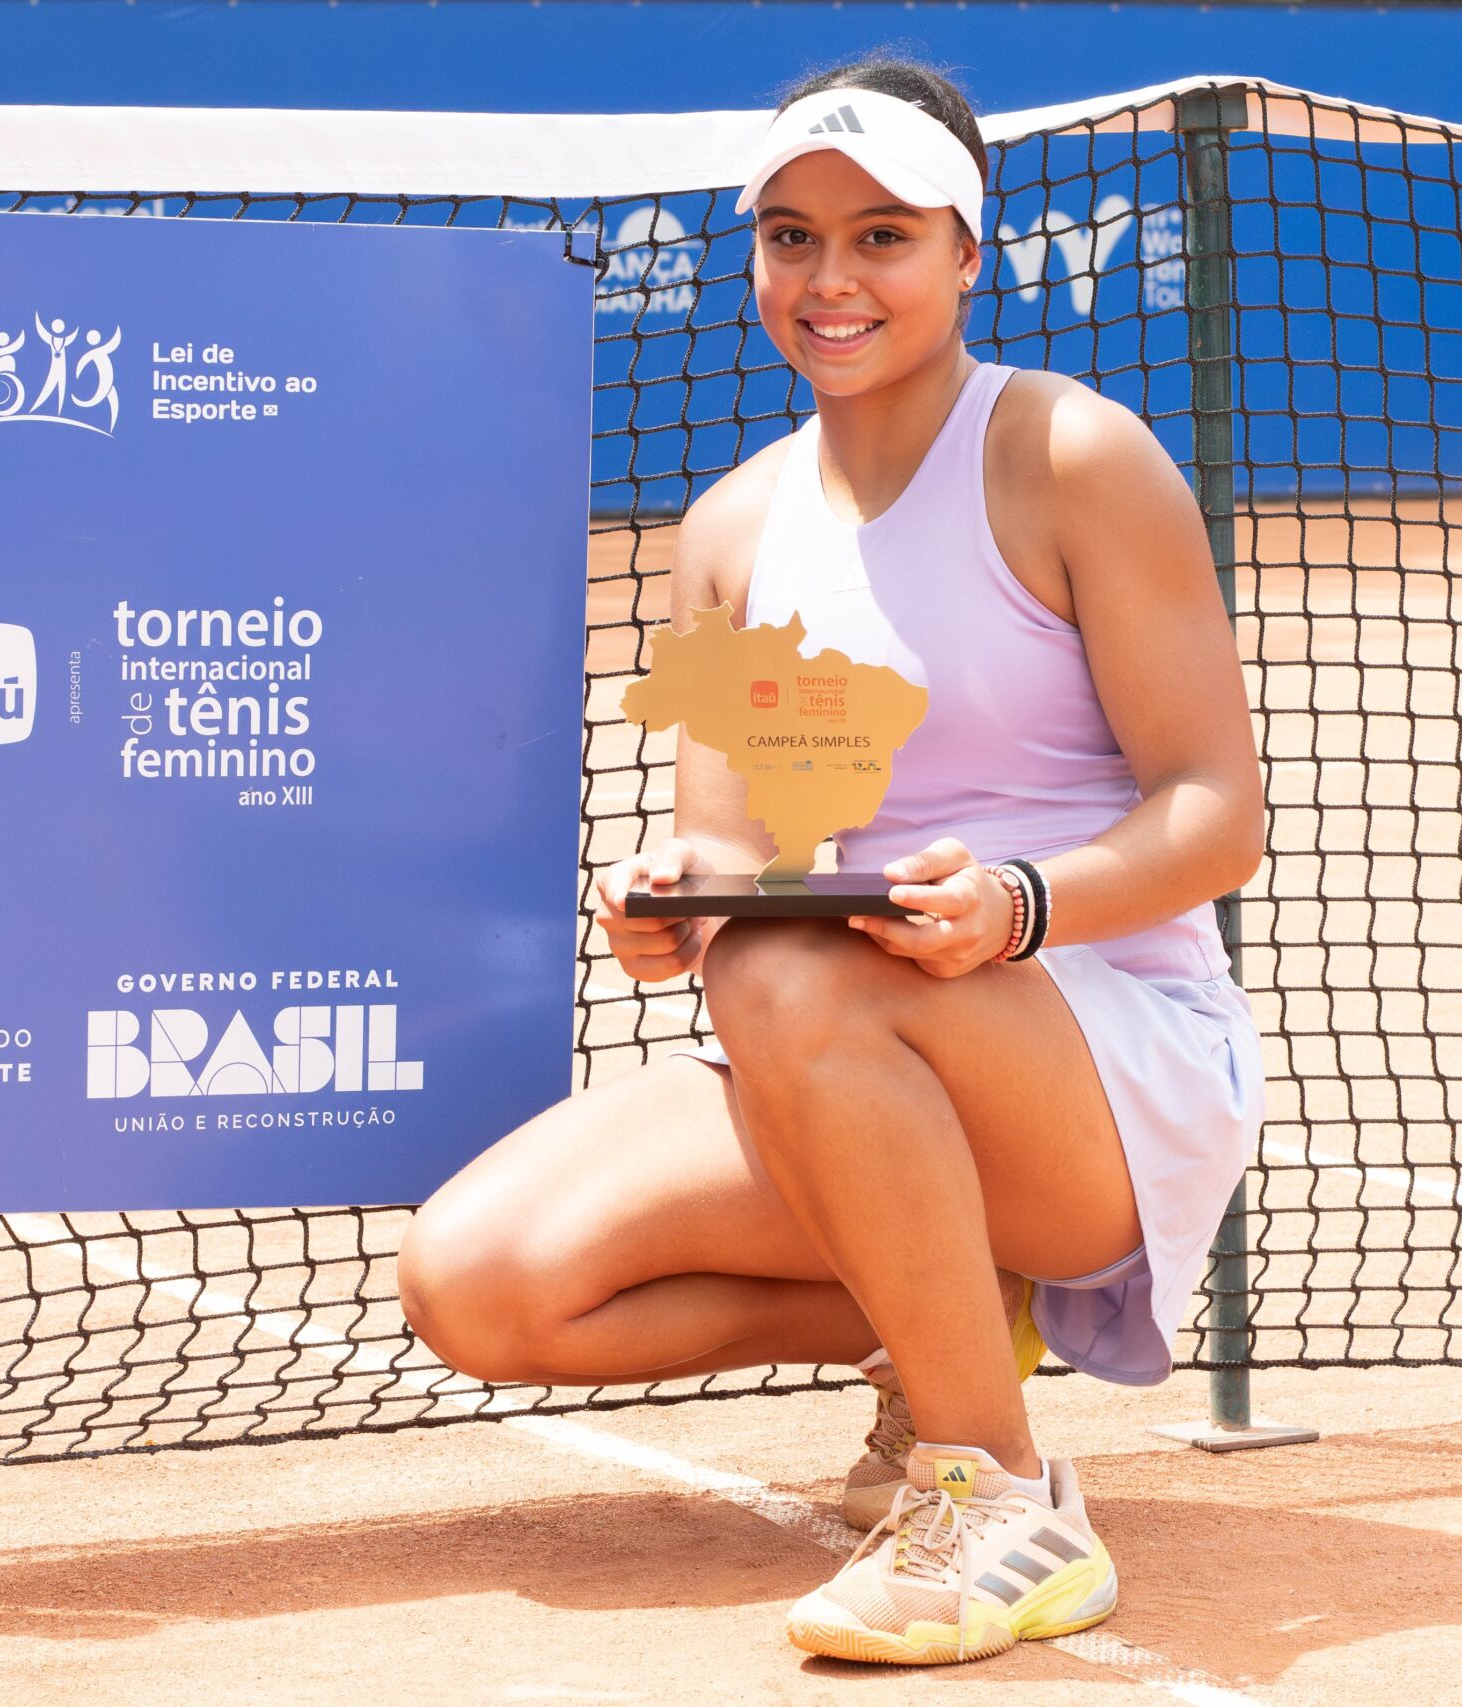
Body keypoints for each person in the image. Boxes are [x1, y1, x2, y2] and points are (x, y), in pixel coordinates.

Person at [396, 55, 1267, 1668]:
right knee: (479, 1285)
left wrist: (1019, 906)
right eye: (792, 238)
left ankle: (995, 1493)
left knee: (795, 968)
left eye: (881, 236)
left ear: (965, 252)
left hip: (1107, 1067)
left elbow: (1220, 812)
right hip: (850, 1041)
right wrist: (675, 904)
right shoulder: (727, 528)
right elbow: (737, 843)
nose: (831, 278)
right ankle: (954, 1314)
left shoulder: (1075, 455)